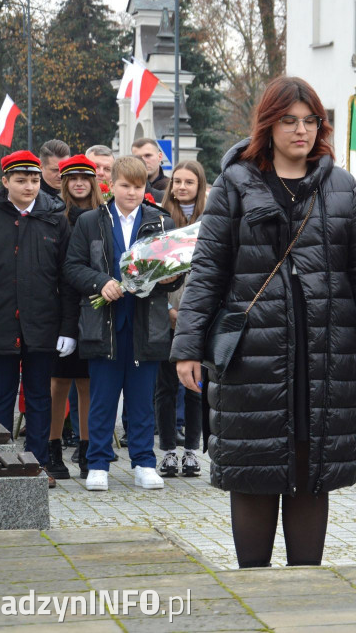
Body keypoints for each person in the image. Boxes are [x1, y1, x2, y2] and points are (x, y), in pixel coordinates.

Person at [171, 76, 356, 568]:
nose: (300, 131)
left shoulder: (341, 186)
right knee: (253, 465)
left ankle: (304, 594)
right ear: (268, 125)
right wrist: (187, 346)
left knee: (312, 469)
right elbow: (208, 269)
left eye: (310, 121)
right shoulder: (235, 183)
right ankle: (253, 589)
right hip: (252, 353)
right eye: (289, 120)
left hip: (325, 353)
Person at [64, 155, 183, 492]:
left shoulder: (161, 222)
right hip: (104, 323)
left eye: (139, 186)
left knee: (142, 398)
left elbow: (175, 275)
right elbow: (72, 267)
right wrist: (100, 281)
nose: (132, 192)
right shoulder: (90, 221)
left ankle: (144, 462)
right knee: (102, 398)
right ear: (112, 185)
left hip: (147, 322)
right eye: (126, 186)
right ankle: (98, 463)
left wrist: (166, 281)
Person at [0, 151, 78, 488]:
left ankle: (36, 463)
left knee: (39, 397)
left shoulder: (55, 219)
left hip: (43, 325)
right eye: (21, 180)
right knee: (0, 396)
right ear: (5, 182)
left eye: (34, 180)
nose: (29, 186)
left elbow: (66, 277)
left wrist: (67, 328)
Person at [49, 155, 103, 480]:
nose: (79, 183)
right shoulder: (56, 217)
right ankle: (53, 448)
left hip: (96, 307)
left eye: (85, 177)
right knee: (58, 383)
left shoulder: (103, 217)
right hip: (61, 309)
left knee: (88, 384)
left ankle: (87, 449)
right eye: (72, 178)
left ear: (93, 181)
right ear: (65, 183)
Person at [156, 160, 207, 478]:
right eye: (177, 181)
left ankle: (191, 451)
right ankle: (167, 452)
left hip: (200, 316)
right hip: (166, 314)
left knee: (195, 386)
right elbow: (151, 271)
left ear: (200, 186)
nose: (182, 187)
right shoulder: (159, 221)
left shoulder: (211, 221)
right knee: (165, 388)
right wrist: (167, 310)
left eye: (189, 182)